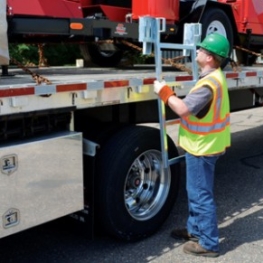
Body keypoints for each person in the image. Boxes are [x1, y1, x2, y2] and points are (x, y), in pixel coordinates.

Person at [154, 33, 231, 258]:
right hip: (205, 145)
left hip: (202, 148)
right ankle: (195, 231)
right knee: (195, 191)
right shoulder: (215, 76)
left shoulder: (209, 84)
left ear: (210, 58)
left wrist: (164, 92)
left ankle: (208, 243)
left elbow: (184, 109)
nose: (196, 52)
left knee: (200, 195)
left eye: (201, 50)